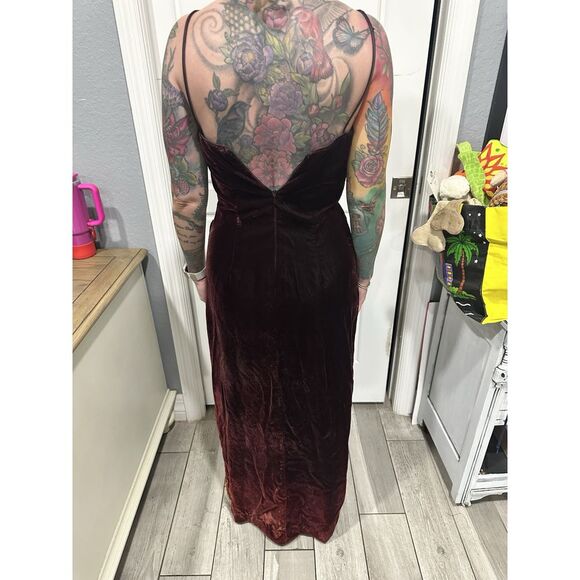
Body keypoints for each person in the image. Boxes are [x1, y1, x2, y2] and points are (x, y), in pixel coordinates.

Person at [161, 0, 393, 546]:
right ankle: (315, 510)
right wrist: (362, 274)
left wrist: (198, 269)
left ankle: (253, 501)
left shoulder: (185, 39)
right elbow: (367, 191)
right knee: (321, 387)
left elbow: (187, 194)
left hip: (236, 260)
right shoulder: (366, 37)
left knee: (245, 385)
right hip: (320, 260)